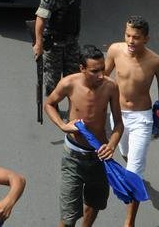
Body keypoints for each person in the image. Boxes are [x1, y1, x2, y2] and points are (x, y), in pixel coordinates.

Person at [43, 45, 123, 227]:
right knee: (68, 217)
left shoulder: (111, 87)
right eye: (95, 71)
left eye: (103, 69)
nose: (101, 75)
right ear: (82, 69)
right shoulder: (68, 83)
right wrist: (63, 126)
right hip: (73, 159)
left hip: (99, 158)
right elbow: (49, 104)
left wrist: (111, 145)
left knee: (94, 204)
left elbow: (118, 123)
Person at [104, 15, 159, 227]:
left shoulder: (156, 61)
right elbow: (103, 77)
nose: (131, 41)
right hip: (118, 115)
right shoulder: (114, 50)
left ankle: (129, 222)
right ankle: (133, 166)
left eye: (136, 37)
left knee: (133, 171)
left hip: (142, 117)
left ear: (146, 39)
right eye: (128, 35)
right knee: (125, 153)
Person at [34, 0, 85, 98]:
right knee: (53, 81)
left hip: (71, 41)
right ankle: (52, 107)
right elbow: (40, 19)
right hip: (54, 43)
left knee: (75, 77)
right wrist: (39, 43)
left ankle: (74, 108)